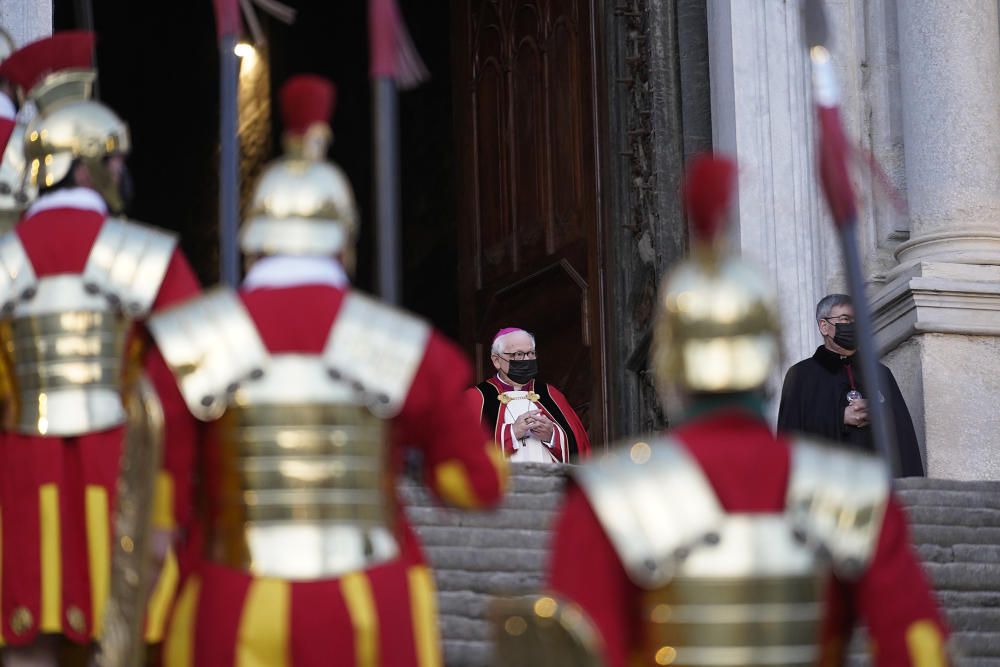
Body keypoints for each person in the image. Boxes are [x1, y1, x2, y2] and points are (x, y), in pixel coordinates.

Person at [493, 154, 949, 667]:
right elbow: (916, 649)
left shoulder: (608, 498)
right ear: (772, 358)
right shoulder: (851, 495)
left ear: (667, 368)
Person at [149, 74, 507, 667]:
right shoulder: (408, 347)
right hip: (369, 600)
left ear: (253, 244)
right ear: (345, 247)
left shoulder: (191, 339)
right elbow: (474, 486)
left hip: (232, 595)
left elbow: (164, 495)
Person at [0, 31, 201, 665]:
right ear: (82, 164)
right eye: (112, 160)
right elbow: (185, 389)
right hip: (121, 486)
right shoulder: (148, 257)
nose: (122, 173)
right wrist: (176, 505)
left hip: (16, 489)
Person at [777, 293, 925, 477]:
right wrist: (840, 417)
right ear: (824, 326)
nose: (853, 326)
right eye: (845, 319)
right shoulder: (801, 375)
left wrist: (878, 414)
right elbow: (790, 438)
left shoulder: (880, 374)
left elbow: (903, 435)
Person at [468, 327, 590, 463]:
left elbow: (580, 446)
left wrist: (552, 436)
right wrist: (512, 433)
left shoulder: (550, 394)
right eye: (518, 355)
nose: (526, 360)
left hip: (548, 482)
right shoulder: (477, 398)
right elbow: (465, 448)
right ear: (496, 360)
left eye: (531, 353)